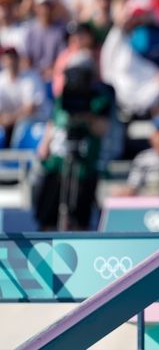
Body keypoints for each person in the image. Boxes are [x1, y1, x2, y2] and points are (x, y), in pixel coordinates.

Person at [34, 50, 113, 231]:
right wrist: (45, 144)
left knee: (79, 215)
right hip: (57, 163)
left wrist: (85, 116)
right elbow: (53, 121)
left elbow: (102, 129)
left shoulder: (100, 99)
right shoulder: (63, 98)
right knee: (48, 213)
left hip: (84, 164)